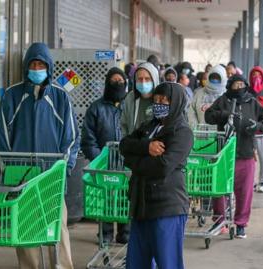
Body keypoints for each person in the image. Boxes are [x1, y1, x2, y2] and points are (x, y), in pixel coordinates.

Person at [0, 42, 78, 269]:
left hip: (52, 178)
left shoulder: (61, 98)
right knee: (25, 229)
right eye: (33, 64)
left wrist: (64, 169)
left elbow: (71, 138)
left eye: (42, 64)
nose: (37, 68)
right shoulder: (12, 95)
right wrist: (9, 172)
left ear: (49, 67)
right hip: (21, 179)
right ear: (26, 67)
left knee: (57, 227)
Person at [119, 82, 193, 269]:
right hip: (141, 206)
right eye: (156, 99)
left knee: (168, 263)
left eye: (164, 100)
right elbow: (124, 145)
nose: (159, 103)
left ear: (175, 102)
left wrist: (135, 163)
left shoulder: (182, 133)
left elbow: (163, 167)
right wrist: (146, 147)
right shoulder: (148, 126)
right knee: (136, 263)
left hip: (167, 207)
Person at [205, 74, 263, 239]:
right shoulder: (223, 100)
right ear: (230, 86)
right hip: (224, 154)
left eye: (242, 84)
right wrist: (226, 114)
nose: (239, 87)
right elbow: (209, 116)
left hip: (246, 154)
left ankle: (241, 224)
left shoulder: (252, 102)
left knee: (245, 192)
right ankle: (220, 221)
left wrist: (257, 126)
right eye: (236, 84)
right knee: (220, 190)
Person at [81, 67, 130, 244]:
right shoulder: (96, 108)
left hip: (127, 163)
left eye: (121, 81)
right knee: (105, 198)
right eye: (113, 81)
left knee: (126, 196)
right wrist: (98, 160)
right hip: (104, 164)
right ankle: (106, 233)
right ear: (107, 83)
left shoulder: (130, 106)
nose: (117, 84)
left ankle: (125, 232)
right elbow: (88, 138)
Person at [121, 62, 160, 137]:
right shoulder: (130, 97)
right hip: (133, 144)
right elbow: (124, 123)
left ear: (154, 80)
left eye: (147, 79)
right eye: (140, 79)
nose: (143, 82)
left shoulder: (162, 99)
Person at [187, 65, 228, 129]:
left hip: (221, 135)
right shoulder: (199, 93)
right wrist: (195, 127)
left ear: (223, 79)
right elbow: (191, 112)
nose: (215, 80)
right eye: (213, 77)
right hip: (200, 135)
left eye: (217, 78)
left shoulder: (227, 95)